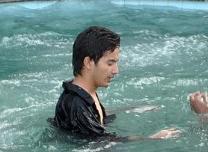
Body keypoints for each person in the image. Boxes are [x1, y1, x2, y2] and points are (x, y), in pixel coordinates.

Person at [51, 25, 179, 141]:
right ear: (88, 62)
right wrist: (152, 139)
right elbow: (103, 143)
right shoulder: (77, 106)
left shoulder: (85, 93)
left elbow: (94, 116)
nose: (116, 71)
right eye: (110, 63)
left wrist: (132, 109)